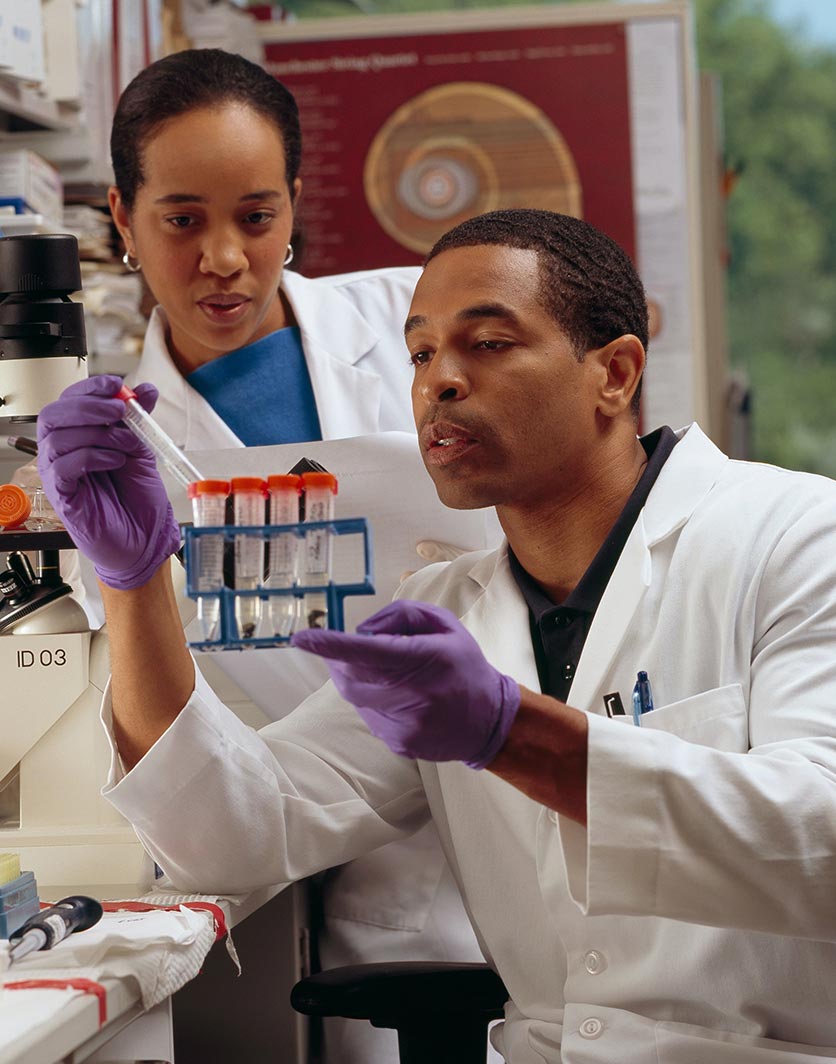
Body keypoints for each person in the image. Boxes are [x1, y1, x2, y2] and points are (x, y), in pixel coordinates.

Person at [37, 208, 836, 1063]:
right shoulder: (448, 611)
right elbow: (234, 835)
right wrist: (133, 583)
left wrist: (514, 734)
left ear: (615, 372)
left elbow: (819, 843)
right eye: (419, 353)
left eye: (488, 344)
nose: (437, 382)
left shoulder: (795, 537)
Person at [82, 47, 489, 1064]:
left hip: (516, 793)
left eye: (256, 217)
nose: (223, 257)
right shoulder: (111, 455)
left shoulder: (421, 328)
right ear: (122, 219)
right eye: (183, 220)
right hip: (345, 872)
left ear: (295, 206)